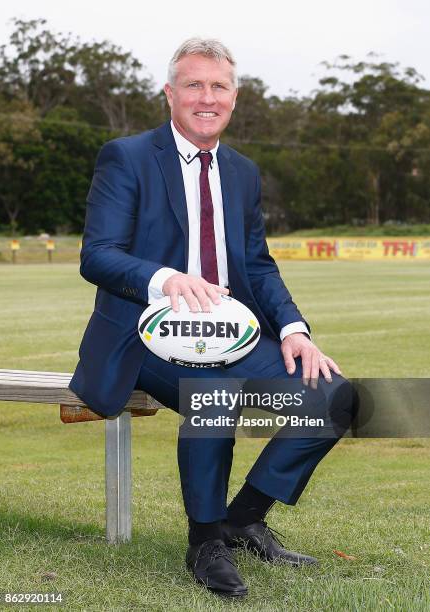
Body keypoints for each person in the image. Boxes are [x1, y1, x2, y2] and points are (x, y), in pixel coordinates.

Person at [70, 38, 353, 598]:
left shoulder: (243, 173)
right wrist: (165, 278)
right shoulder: (126, 156)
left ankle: (242, 518)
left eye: (218, 86)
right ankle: (204, 543)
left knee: (334, 396)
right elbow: (97, 255)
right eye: (193, 85)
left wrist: (295, 331)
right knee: (213, 392)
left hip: (232, 329)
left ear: (234, 97)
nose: (207, 97)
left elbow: (257, 264)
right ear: (169, 95)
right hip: (145, 333)